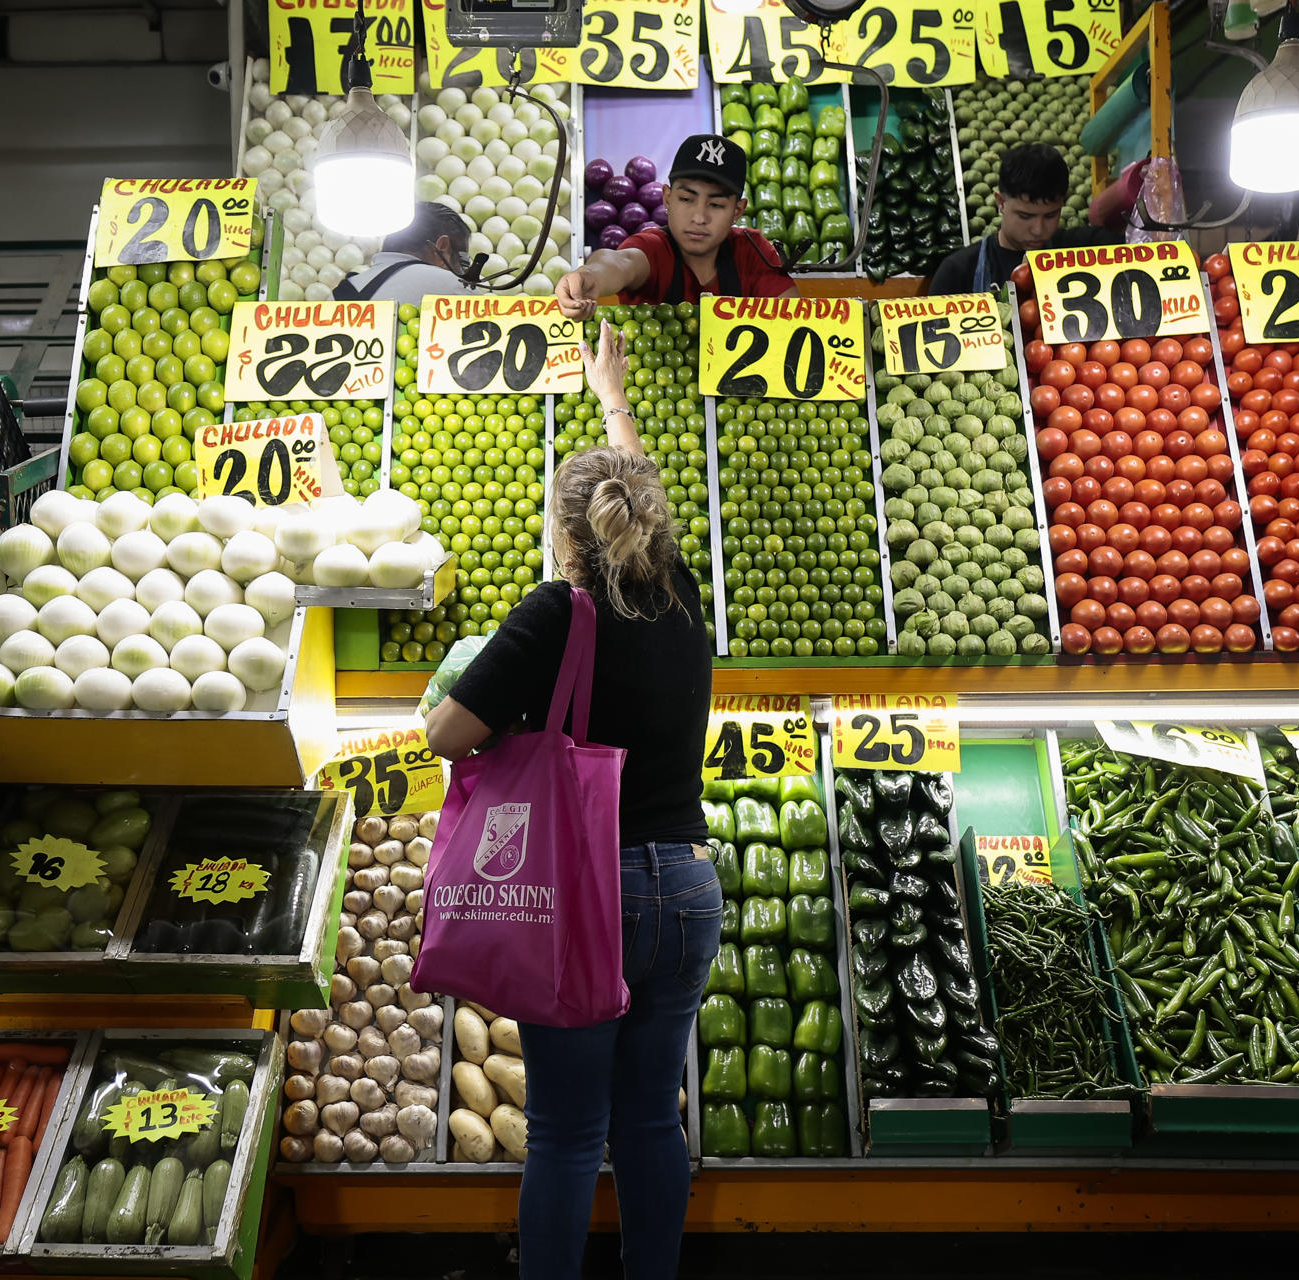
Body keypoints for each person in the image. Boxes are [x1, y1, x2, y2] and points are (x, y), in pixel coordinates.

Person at [424, 321, 717, 1280]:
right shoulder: (681, 594)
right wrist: (612, 398)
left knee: (560, 1131)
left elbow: (447, 735)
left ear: (564, 533)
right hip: (686, 888)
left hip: (589, 899)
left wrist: (517, 718)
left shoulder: (557, 613)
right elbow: (634, 484)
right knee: (646, 1116)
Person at [555, 134, 800, 317]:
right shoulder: (653, 248)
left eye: (716, 205)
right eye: (686, 199)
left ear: (737, 210)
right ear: (667, 198)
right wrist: (589, 276)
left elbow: (794, 316)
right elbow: (621, 262)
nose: (699, 217)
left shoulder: (752, 250)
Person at [925, 142, 1128, 295]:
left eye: (1050, 215)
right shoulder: (958, 272)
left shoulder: (1081, 247)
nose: (1038, 229)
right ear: (1001, 202)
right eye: (1025, 216)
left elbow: (1139, 248)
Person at [334, 202, 473, 302]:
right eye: (461, 261)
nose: (461, 271)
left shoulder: (336, 297)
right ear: (442, 246)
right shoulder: (454, 288)